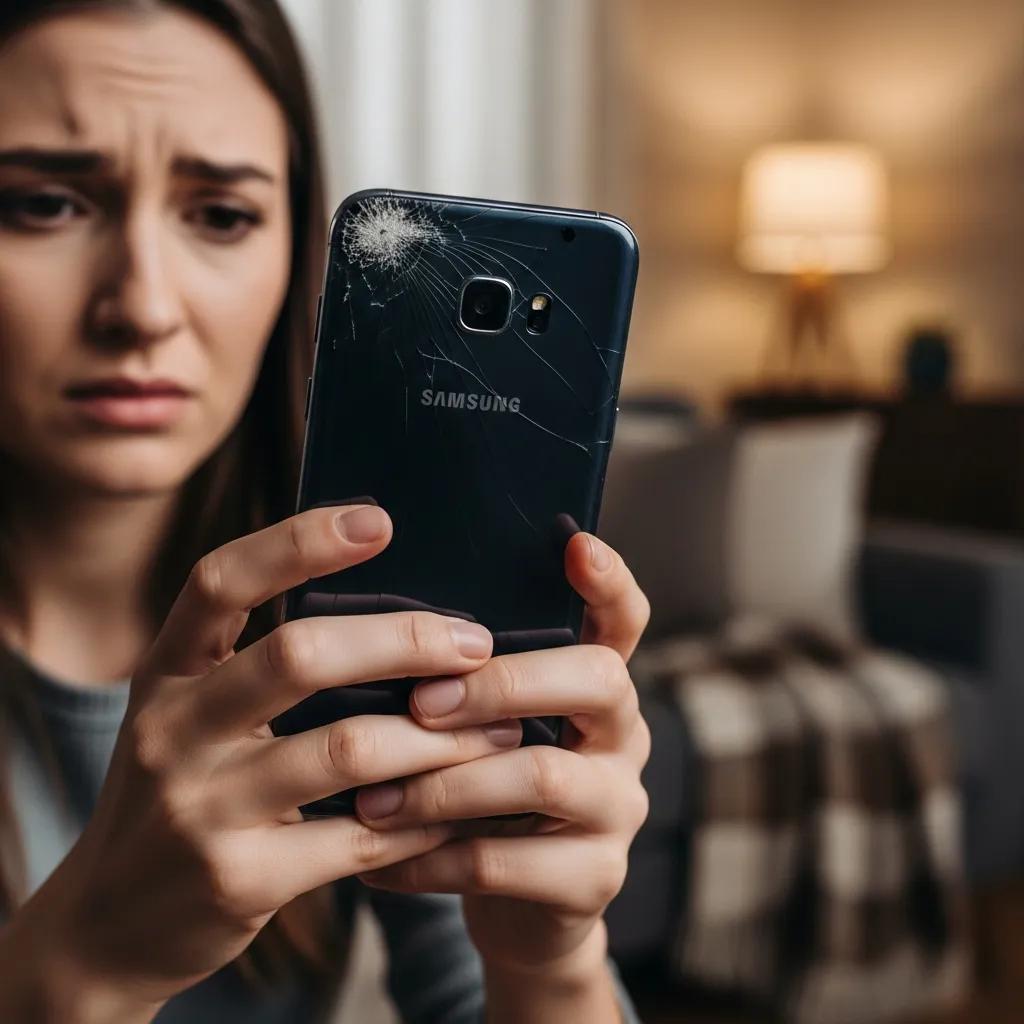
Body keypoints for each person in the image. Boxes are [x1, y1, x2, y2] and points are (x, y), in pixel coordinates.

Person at [0, 2, 651, 1021]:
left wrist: (549, 964)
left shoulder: (348, 621)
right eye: (44, 202)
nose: (144, 305)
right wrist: (82, 964)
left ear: (293, 253)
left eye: (222, 214)